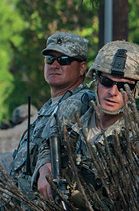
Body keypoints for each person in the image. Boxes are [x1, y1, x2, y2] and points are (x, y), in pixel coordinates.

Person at [42, 39, 139, 203]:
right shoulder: (73, 112)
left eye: (123, 87)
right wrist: (45, 168)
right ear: (96, 80)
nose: (112, 92)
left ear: (135, 91)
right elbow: (46, 144)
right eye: (107, 82)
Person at [9, 32, 94, 197]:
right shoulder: (50, 106)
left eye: (64, 60)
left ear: (82, 68)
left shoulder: (80, 102)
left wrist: (45, 167)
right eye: (50, 59)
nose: (54, 65)